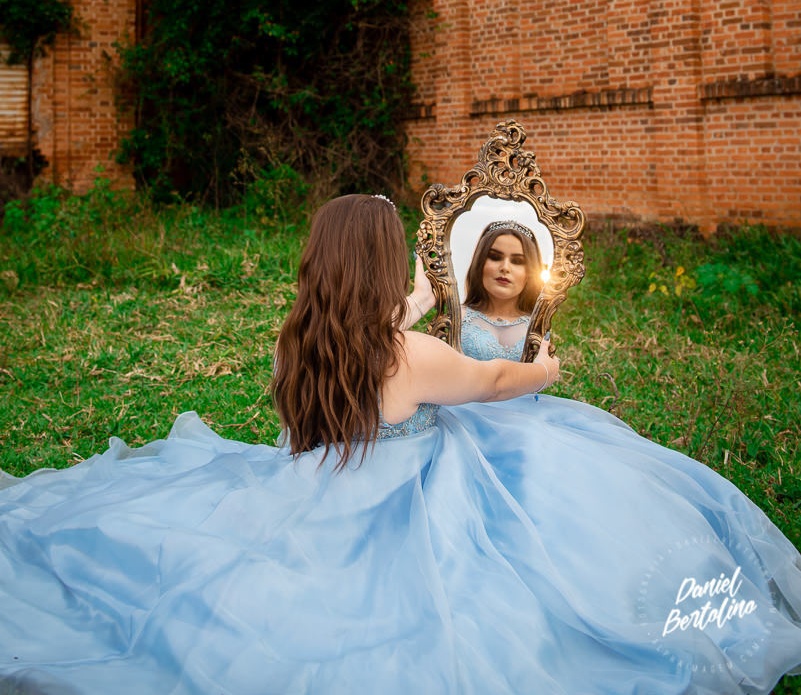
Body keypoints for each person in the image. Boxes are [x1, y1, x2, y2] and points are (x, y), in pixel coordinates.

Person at [0, 194, 800, 695]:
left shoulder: (301, 340)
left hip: (314, 487)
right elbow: (487, 385)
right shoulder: (409, 357)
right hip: (403, 505)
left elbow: (377, 348)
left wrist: (408, 308)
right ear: (380, 270)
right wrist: (543, 369)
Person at [459, 220, 542, 361]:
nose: (505, 267)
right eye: (495, 257)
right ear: (480, 263)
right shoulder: (456, 317)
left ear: (530, 273)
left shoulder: (539, 326)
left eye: (517, 261)